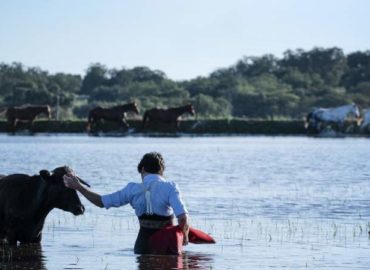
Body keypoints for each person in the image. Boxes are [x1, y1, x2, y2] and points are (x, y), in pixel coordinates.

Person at [63, 152, 190, 254]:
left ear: (142, 169)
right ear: (161, 170)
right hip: (167, 248)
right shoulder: (170, 187)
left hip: (142, 247)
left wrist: (79, 187)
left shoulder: (131, 190)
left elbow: (101, 202)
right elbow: (183, 217)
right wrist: (184, 236)